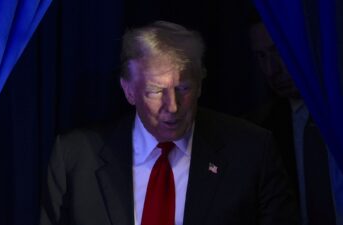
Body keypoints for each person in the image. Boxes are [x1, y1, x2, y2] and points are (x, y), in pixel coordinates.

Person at [40, 21, 299, 225]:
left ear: (200, 86)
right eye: (155, 91)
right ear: (129, 91)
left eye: (183, 88)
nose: (172, 106)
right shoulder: (75, 157)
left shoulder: (252, 151)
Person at [249, 17, 339, 225]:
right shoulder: (261, 129)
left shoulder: (335, 113)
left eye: (279, 51)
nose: (272, 69)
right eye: (262, 56)